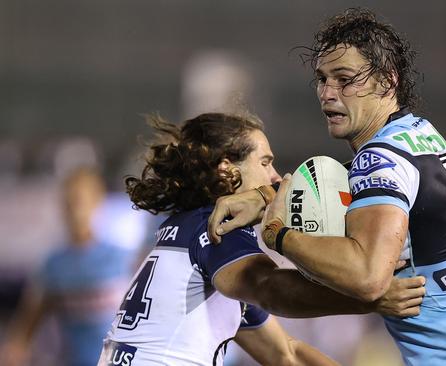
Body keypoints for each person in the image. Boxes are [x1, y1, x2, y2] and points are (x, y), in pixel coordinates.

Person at [209, 8, 446, 366]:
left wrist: (279, 236)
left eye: (345, 79)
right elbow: (346, 180)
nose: (328, 93)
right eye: (322, 78)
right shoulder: (414, 132)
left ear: (387, 81)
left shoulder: (378, 158)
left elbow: (367, 278)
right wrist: (264, 197)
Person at [99, 112, 425, 365]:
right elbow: (272, 290)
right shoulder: (217, 227)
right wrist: (368, 298)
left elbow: (286, 355)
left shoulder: (189, 230)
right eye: (264, 161)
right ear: (227, 169)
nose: (275, 176)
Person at [0, 168, 133, 366]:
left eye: (80, 202)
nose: (75, 211)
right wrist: (15, 349)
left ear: (97, 203)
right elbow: (27, 323)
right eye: (69, 203)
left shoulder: (122, 258)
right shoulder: (55, 265)